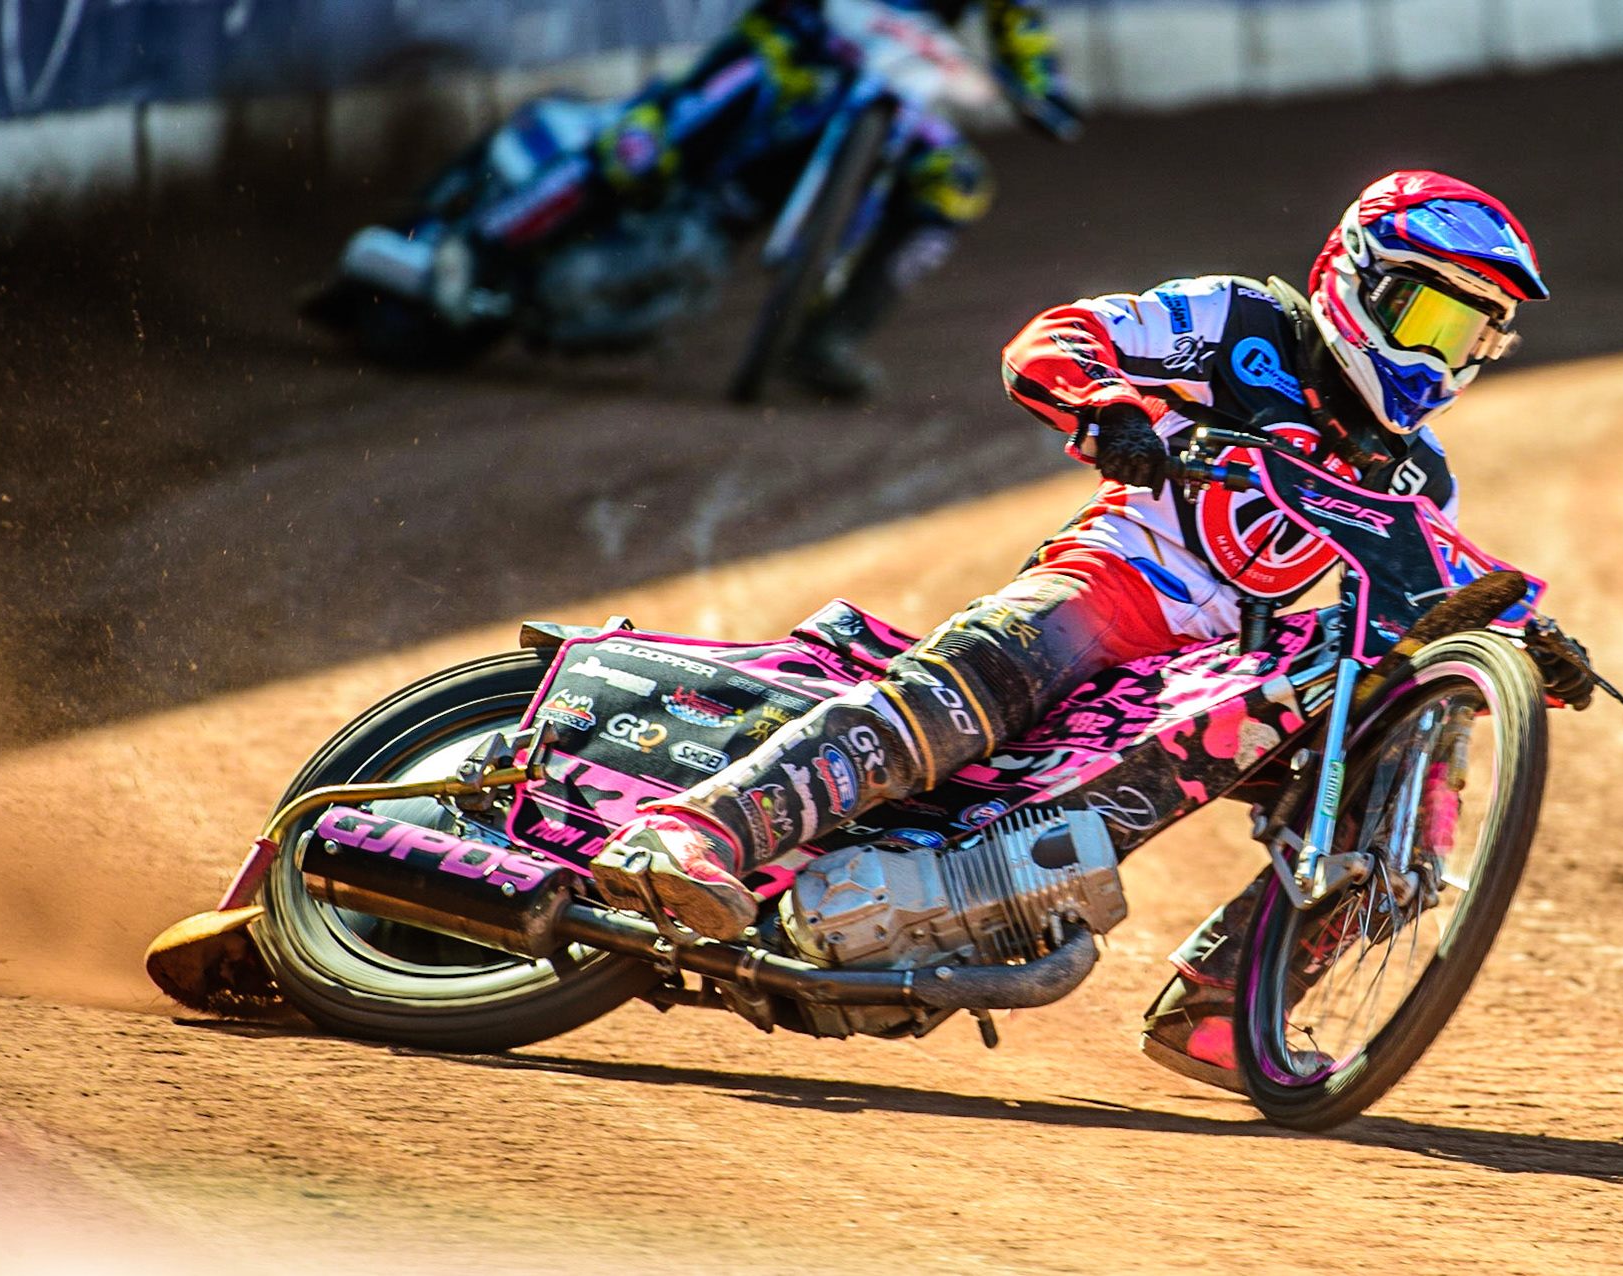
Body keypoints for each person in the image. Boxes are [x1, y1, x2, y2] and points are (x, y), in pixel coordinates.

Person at [591, 169, 1554, 1090]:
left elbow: (1442, 586)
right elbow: (1060, 336)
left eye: (1473, 338)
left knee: (1410, 748)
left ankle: (1225, 1000)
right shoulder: (1239, 322)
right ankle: (688, 832)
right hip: (1118, 581)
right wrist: (1106, 407)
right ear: (1356, 280)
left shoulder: (1418, 478)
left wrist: (1531, 637)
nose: (1442, 358)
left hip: (1222, 667)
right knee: (962, 695)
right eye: (1430, 317)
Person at [479, 0, 1080, 398]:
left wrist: (1042, 91)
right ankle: (497, 238)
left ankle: (826, 338)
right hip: (793, 48)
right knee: (646, 147)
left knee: (955, 179)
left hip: (887, 88)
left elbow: (1019, 29)